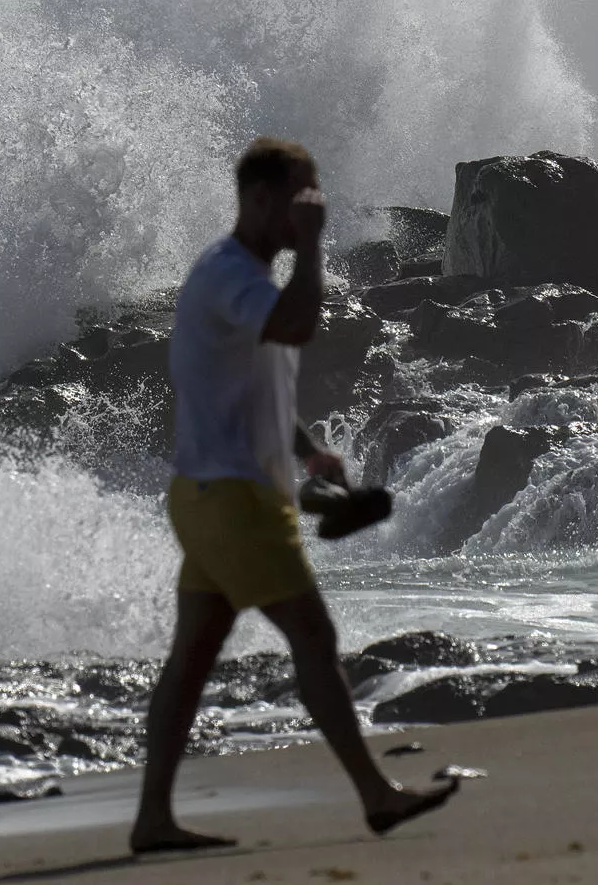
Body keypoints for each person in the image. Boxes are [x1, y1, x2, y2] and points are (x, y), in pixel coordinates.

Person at [130, 137, 459, 854]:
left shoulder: (239, 280)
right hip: (232, 501)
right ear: (259, 199)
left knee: (189, 663)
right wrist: (313, 249)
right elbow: (300, 322)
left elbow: (249, 384)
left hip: (214, 495)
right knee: (313, 636)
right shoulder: (231, 277)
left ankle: (152, 817)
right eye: (300, 200)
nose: (311, 212)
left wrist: (307, 448)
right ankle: (375, 795)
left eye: (315, 199)